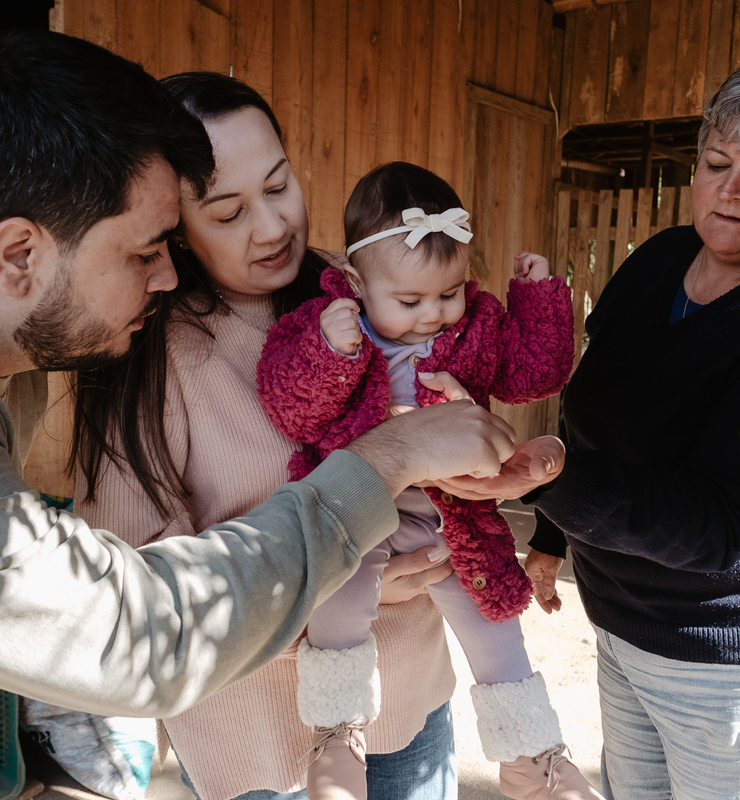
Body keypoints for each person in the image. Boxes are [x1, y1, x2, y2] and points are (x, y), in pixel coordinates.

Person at [0, 32, 520, 800]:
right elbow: (129, 636)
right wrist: (385, 464)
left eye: (279, 186)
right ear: (18, 255)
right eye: (147, 250)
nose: (169, 273)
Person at [71, 73, 545, 800]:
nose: (272, 227)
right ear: (171, 224)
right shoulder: (146, 355)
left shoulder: (364, 287)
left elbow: (464, 409)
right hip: (256, 740)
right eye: (228, 211)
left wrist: (496, 467)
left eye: (278, 185)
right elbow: (136, 591)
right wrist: (325, 593)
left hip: (409, 701)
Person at [441, 43, 740, 799]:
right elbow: (600, 414)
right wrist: (552, 534)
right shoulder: (661, 260)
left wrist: (549, 479)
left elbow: (718, 524)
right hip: (626, 625)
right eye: (716, 162)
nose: (729, 190)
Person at [256, 161, 598, 800]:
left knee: (496, 625)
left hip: (454, 518)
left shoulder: (476, 327)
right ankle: (336, 737)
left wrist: (538, 297)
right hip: (357, 505)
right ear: (357, 282)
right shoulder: (328, 325)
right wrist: (329, 353)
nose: (432, 315)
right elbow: (291, 408)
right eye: (409, 302)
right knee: (339, 602)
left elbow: (537, 374)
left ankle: (532, 756)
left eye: (449, 293)